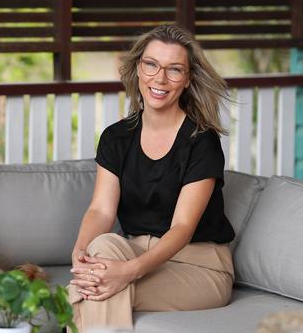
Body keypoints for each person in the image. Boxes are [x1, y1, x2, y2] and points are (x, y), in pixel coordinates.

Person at [68, 24, 235, 332]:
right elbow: (101, 210)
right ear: (137, 69)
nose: (160, 78)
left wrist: (128, 272)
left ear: (187, 80)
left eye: (174, 69)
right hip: (135, 249)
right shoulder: (116, 137)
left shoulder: (201, 141)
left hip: (198, 266)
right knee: (101, 249)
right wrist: (80, 252)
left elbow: (183, 228)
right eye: (151, 65)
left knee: (91, 290)